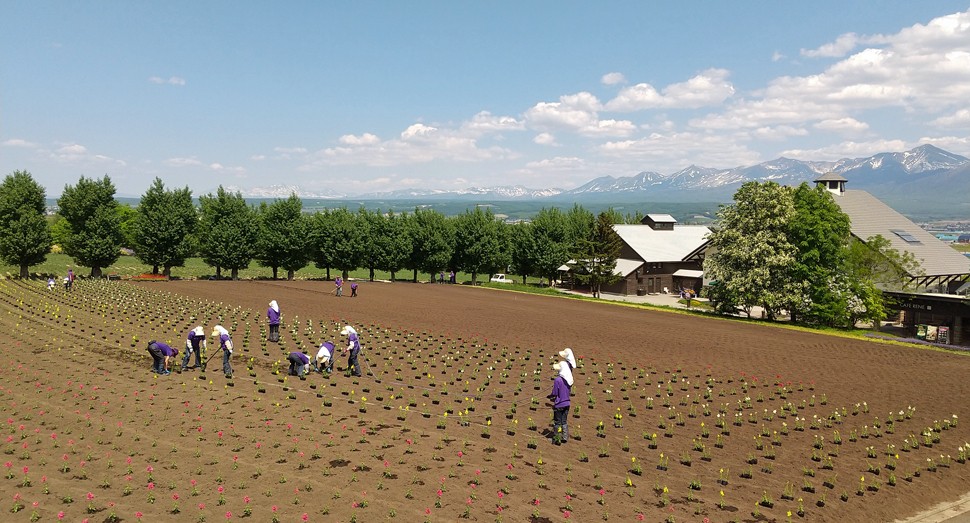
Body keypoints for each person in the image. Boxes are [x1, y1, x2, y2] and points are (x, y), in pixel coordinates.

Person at [547, 362, 571, 444]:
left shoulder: (557, 380)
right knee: (564, 421)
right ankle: (565, 437)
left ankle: (555, 439)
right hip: (567, 404)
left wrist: (550, 396)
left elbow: (554, 393)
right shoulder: (569, 380)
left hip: (559, 404)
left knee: (557, 422)